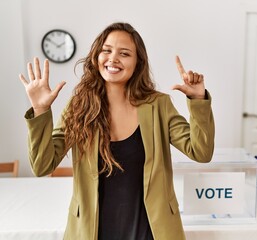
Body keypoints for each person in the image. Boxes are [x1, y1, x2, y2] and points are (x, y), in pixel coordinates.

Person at [19, 22, 215, 240]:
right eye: (107, 50)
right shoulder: (79, 106)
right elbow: (41, 165)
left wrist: (198, 101)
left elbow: (201, 152)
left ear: (137, 63)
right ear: (96, 56)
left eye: (124, 53)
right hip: (93, 231)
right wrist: (41, 109)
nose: (113, 58)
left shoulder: (159, 105)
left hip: (149, 231)